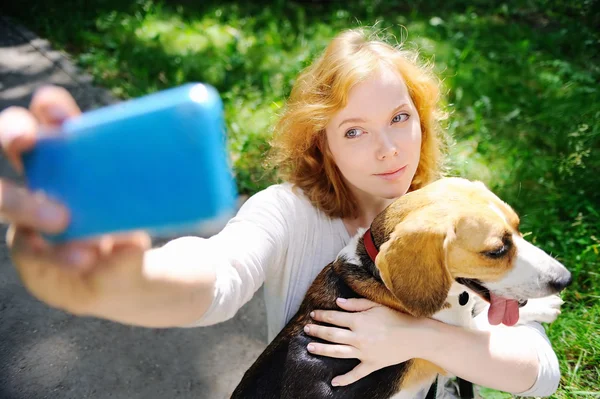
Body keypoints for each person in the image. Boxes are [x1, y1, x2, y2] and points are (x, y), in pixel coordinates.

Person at [0, 28, 560, 398]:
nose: (388, 148)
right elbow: (219, 274)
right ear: (323, 143)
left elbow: (543, 373)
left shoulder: (461, 219)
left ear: (422, 119)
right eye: (355, 130)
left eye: (400, 117)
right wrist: (126, 282)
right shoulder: (288, 213)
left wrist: (418, 338)